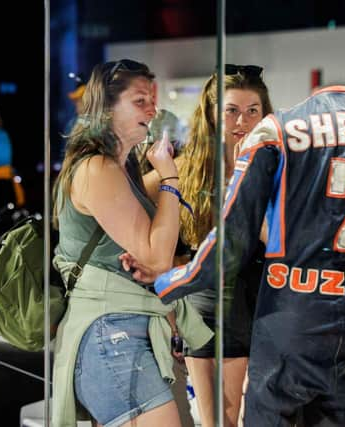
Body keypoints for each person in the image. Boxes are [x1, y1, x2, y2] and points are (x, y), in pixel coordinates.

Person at [154, 85, 345, 426]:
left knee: (270, 414)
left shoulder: (276, 130)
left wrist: (165, 283)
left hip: (291, 314)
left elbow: (230, 243)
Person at [50, 59, 212, 427]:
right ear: (107, 108)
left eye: (151, 101)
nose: (152, 110)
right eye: (140, 101)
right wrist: (169, 177)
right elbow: (155, 255)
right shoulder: (97, 169)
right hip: (111, 333)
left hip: (124, 331)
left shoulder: (123, 168)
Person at [141, 64, 273, 427]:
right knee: (218, 422)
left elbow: (281, 237)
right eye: (231, 111)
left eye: (252, 111)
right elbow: (136, 197)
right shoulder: (189, 167)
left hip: (261, 305)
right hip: (203, 309)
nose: (241, 122)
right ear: (213, 115)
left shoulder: (274, 167)